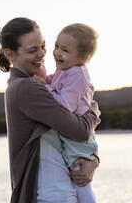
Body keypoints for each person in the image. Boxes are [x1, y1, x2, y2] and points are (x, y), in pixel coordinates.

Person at [0, 17, 101, 203]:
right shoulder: (27, 88)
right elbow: (81, 130)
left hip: (60, 190)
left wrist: (93, 161)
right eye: (33, 50)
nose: (42, 54)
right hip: (50, 193)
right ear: (10, 55)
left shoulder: (37, 83)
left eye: (43, 46)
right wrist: (93, 106)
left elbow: (74, 126)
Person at [34, 23, 99, 203]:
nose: (57, 53)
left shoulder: (77, 75)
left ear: (83, 57)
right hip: (72, 136)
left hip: (77, 141)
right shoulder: (65, 70)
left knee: (80, 178)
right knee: (76, 176)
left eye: (65, 50)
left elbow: (65, 105)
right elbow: (51, 83)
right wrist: (41, 74)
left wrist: (44, 88)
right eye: (56, 46)